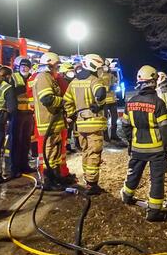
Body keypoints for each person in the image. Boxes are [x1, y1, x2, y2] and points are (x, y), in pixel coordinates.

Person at [119, 65, 167, 222]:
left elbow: (125, 126)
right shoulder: (158, 103)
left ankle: (126, 196)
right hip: (156, 151)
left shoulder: (131, 102)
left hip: (137, 148)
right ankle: (154, 212)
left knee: (133, 174)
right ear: (154, 82)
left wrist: (131, 142)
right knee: (157, 179)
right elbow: (165, 130)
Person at [64, 53, 107, 195]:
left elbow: (67, 101)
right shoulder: (94, 80)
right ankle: (92, 184)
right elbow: (100, 93)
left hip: (80, 124)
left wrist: (72, 114)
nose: (100, 70)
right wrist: (98, 104)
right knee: (94, 153)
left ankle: (87, 180)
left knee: (86, 151)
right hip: (93, 123)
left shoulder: (74, 82)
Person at [31, 52, 68, 190]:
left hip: (54, 122)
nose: (57, 69)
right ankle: (49, 181)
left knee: (55, 154)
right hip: (48, 122)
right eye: (56, 66)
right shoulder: (43, 77)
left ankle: (56, 178)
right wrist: (64, 101)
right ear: (49, 64)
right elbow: (47, 99)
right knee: (50, 153)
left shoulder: (49, 77)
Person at [7, 56, 35, 177]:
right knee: (15, 141)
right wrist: (11, 112)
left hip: (29, 114)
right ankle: (15, 168)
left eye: (26, 66)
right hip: (17, 114)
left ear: (29, 68)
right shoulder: (14, 77)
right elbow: (10, 95)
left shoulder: (32, 78)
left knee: (26, 141)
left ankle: (25, 165)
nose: (24, 68)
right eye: (22, 66)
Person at [99, 59, 119, 142]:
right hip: (105, 101)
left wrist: (115, 84)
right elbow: (100, 87)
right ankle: (105, 136)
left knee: (115, 119)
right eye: (105, 65)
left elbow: (115, 82)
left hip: (113, 100)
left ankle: (114, 135)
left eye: (107, 65)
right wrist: (109, 88)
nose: (106, 67)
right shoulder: (99, 75)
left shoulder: (111, 74)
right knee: (105, 119)